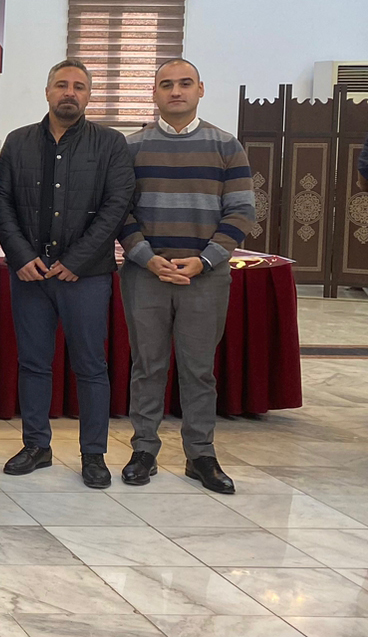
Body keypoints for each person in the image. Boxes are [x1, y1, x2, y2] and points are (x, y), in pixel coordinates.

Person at [0, 59, 134, 489]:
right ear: (47, 91)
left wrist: (77, 260)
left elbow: (117, 205)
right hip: (31, 275)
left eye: (78, 86)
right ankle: (36, 446)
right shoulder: (18, 142)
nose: (69, 92)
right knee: (34, 363)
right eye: (61, 85)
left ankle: (94, 454)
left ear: (88, 95)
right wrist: (20, 256)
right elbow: (1, 202)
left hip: (85, 277)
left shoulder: (110, 144)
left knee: (90, 365)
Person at [118, 60, 255, 495]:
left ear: (200, 89)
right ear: (154, 93)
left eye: (184, 83)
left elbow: (241, 212)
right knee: (147, 366)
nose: (175, 91)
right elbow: (119, 211)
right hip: (146, 275)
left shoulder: (226, 145)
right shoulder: (132, 147)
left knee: (199, 370)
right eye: (166, 84)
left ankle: (200, 455)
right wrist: (146, 257)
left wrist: (206, 260)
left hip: (205, 277)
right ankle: (144, 450)